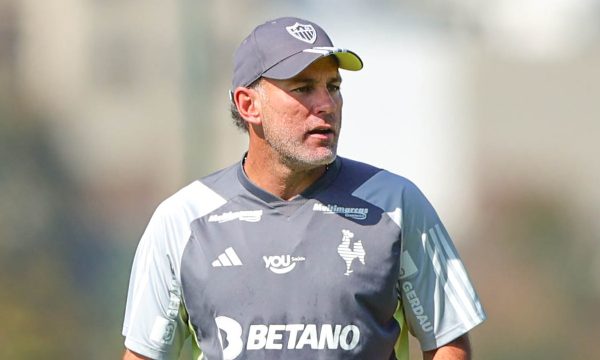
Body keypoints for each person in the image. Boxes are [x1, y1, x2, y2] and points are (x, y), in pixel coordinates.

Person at [121, 16, 486, 360]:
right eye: (303, 88)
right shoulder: (183, 219)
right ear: (248, 105)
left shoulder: (396, 204)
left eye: (333, 87)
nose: (326, 105)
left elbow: (448, 343)